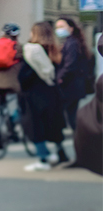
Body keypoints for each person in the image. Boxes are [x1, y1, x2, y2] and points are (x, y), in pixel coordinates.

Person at [19, 20, 67, 170]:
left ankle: (43, 159)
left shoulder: (32, 52)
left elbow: (24, 77)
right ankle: (60, 153)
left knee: (35, 126)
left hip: (35, 95)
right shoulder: (55, 50)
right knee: (53, 125)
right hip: (53, 93)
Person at [54, 16, 94, 135]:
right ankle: (80, 136)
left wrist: (59, 78)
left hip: (70, 85)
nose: (59, 30)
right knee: (72, 113)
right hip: (73, 85)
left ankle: (81, 136)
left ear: (71, 28)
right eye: (57, 27)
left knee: (69, 114)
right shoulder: (72, 42)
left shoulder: (72, 43)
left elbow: (70, 65)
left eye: (62, 26)